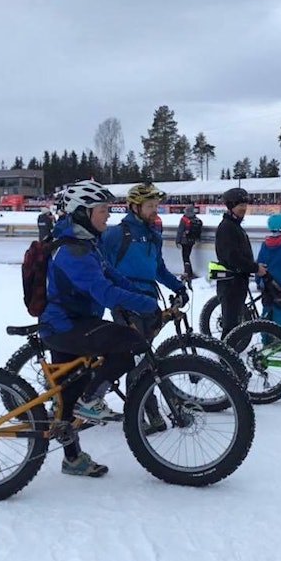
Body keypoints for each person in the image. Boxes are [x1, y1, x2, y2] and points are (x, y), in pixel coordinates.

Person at [40, 180, 159, 476]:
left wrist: (140, 295)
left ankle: (72, 458)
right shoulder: (72, 252)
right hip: (65, 326)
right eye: (103, 209)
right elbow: (104, 292)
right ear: (83, 212)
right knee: (131, 343)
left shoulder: (86, 243)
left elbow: (113, 275)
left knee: (70, 393)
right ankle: (92, 400)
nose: (108, 214)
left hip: (69, 324)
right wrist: (146, 305)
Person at [101, 182, 189, 434]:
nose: (155, 210)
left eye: (156, 206)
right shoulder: (116, 234)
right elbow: (100, 264)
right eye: (150, 206)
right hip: (126, 303)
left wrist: (178, 287)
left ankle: (147, 412)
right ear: (134, 207)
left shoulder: (153, 235)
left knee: (144, 359)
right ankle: (144, 415)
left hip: (149, 301)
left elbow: (158, 269)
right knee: (138, 362)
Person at [214, 187, 267, 339]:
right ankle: (225, 359)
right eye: (240, 205)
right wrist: (255, 268)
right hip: (231, 282)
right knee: (230, 326)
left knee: (234, 323)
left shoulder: (234, 226)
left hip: (236, 281)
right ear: (231, 206)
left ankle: (228, 356)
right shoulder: (227, 227)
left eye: (245, 205)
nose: (244, 208)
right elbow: (233, 257)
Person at [175, 205, 203, 279]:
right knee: (187, 256)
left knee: (185, 257)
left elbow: (180, 231)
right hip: (192, 241)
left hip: (184, 241)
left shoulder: (184, 219)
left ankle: (187, 273)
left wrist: (177, 241)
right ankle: (189, 272)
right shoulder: (196, 219)